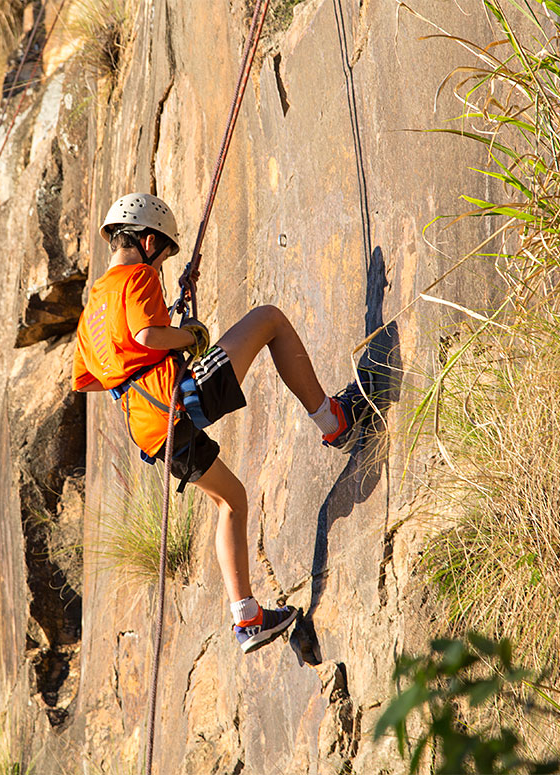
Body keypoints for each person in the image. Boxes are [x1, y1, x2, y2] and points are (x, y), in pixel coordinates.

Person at [72, 193, 368, 654]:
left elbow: (87, 379)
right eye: (164, 256)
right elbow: (146, 335)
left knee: (232, 501)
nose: (162, 265)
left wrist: (150, 353)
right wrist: (189, 336)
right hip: (179, 399)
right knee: (268, 319)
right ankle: (336, 421)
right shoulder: (136, 280)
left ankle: (247, 618)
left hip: (151, 430)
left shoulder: (91, 308)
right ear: (149, 241)